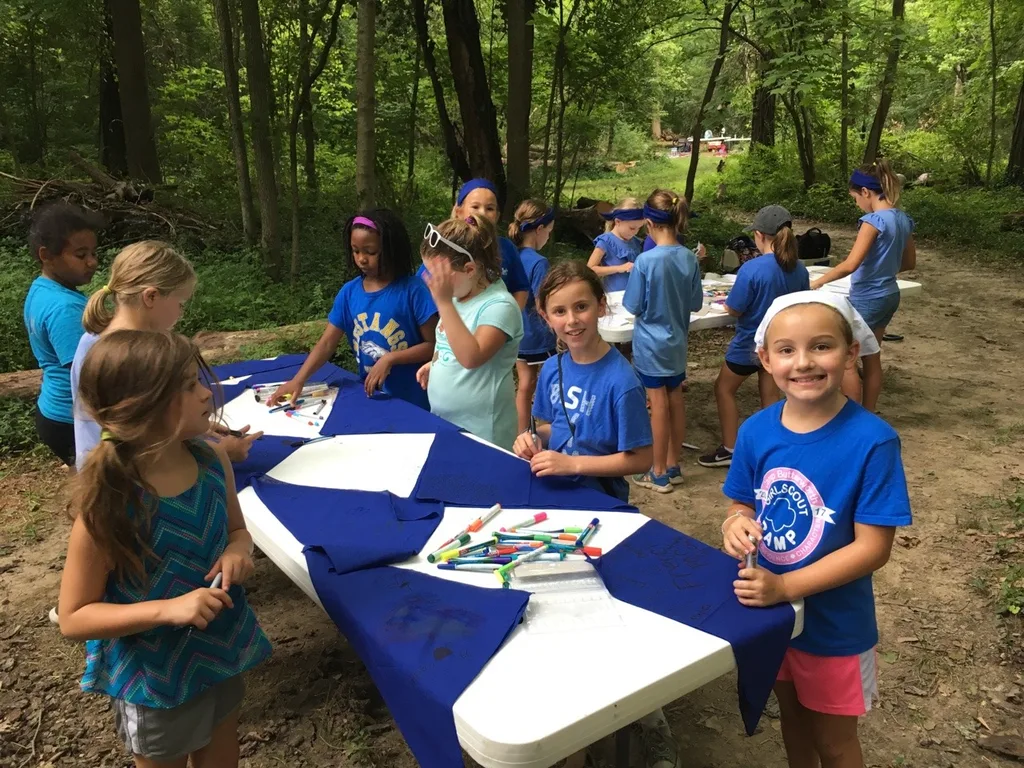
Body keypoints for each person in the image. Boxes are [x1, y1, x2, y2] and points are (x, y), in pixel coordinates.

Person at [58, 329, 273, 768]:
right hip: (154, 676)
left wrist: (238, 551)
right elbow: (74, 616)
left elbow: (238, 531)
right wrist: (169, 609)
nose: (205, 393)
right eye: (190, 385)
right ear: (146, 406)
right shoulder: (109, 504)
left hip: (219, 649)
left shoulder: (213, 461)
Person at [721, 292, 911, 768]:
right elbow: (741, 501)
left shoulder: (873, 442)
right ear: (764, 359)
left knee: (834, 741)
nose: (802, 363)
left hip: (832, 627)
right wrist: (734, 522)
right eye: (786, 350)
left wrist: (784, 585)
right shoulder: (756, 431)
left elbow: (872, 549)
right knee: (793, 721)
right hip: (775, 618)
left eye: (821, 346)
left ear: (851, 353)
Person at [71, 241, 261, 472]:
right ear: (151, 297)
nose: (181, 313)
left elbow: (148, 420)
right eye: (180, 304)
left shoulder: (95, 340)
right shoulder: (133, 356)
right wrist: (222, 453)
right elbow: (142, 445)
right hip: (128, 482)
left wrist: (195, 426)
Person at [269, 209, 438, 409]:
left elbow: (433, 345)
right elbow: (326, 344)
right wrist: (299, 380)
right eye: (355, 250)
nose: (361, 259)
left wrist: (390, 359)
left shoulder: (414, 290)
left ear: (391, 249)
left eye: (370, 252)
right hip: (372, 397)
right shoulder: (349, 293)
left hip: (413, 401)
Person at [513, 261, 652, 502]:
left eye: (581, 307)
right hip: (554, 489)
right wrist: (532, 438)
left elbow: (642, 458)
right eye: (559, 311)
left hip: (599, 499)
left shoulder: (622, 382)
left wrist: (573, 464)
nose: (572, 320)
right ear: (546, 317)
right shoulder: (551, 368)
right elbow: (555, 427)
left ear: (600, 306)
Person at [699, 206, 809, 468]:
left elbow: (735, 309)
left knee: (724, 388)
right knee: (770, 395)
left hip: (750, 344)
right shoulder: (799, 268)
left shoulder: (752, 269)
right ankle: (773, 445)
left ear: (759, 235)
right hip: (782, 344)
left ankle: (729, 447)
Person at [810, 160, 916, 412]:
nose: (856, 203)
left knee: (847, 359)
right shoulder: (903, 219)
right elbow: (909, 262)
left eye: (855, 197)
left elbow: (850, 264)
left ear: (866, 193)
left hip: (867, 299)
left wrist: (817, 282)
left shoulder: (873, 221)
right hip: (889, 294)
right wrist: (883, 269)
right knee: (871, 356)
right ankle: (868, 414)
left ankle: (852, 419)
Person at [416, 216, 523, 450]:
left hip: (484, 433)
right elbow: (449, 339)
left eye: (440, 277)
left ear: (470, 269)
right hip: (448, 424)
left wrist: (443, 303)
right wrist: (437, 365)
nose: (433, 284)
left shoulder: (499, 307)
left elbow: (471, 357)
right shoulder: (456, 296)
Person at [625, 190, 702, 493]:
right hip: (677, 344)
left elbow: (633, 305)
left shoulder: (645, 261)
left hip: (650, 346)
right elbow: (695, 302)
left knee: (657, 405)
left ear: (648, 223)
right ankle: (673, 465)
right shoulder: (689, 258)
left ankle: (656, 473)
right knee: (676, 400)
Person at [23, 202, 103, 466]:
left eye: (93, 252)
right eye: (81, 255)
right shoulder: (65, 308)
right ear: (46, 255)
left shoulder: (41, 289)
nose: (92, 262)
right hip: (73, 420)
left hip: (53, 412)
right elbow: (89, 376)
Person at [418, 178, 530, 310]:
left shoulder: (505, 247)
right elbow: (421, 290)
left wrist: (510, 319)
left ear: (497, 215)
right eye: (475, 207)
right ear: (459, 212)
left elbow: (520, 289)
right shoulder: (444, 247)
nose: (482, 213)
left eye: (490, 208)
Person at [508, 200, 557, 434]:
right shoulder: (539, 262)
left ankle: (521, 435)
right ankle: (548, 435)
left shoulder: (511, 256)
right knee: (547, 386)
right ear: (539, 229)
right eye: (549, 231)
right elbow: (542, 302)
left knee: (524, 386)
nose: (548, 236)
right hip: (539, 336)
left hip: (517, 334)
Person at [586, 197, 643, 292]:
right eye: (632, 228)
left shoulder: (636, 242)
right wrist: (619, 268)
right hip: (614, 295)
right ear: (618, 222)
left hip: (635, 294)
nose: (636, 232)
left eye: (639, 228)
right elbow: (590, 270)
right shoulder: (605, 241)